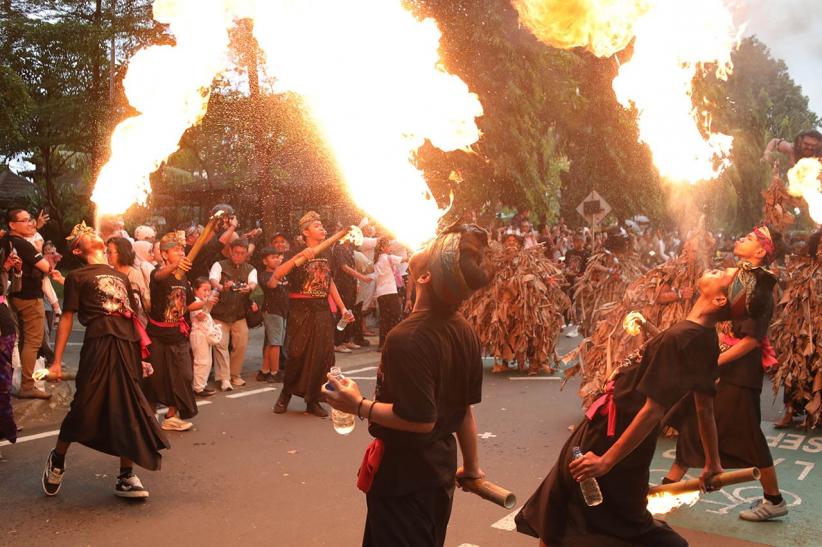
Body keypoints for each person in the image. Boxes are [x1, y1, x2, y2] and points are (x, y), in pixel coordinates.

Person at [515, 267, 736, 546]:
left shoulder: (682, 338)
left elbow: (654, 409)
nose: (720, 268)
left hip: (609, 437)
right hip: (626, 440)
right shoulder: (703, 338)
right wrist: (712, 463)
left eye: (725, 274)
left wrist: (606, 461)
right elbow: (704, 408)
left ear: (719, 300)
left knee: (563, 514)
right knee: (575, 513)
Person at [322, 224, 492, 547]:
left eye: (431, 248)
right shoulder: (464, 329)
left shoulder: (406, 339)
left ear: (425, 277)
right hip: (438, 475)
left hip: (405, 481)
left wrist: (356, 404)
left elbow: (419, 419)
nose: (423, 243)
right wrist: (471, 468)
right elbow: (464, 411)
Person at [663, 225, 788, 522]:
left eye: (750, 238)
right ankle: (670, 484)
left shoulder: (761, 287)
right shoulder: (738, 276)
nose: (742, 237)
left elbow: (751, 340)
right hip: (721, 363)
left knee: (747, 433)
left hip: (740, 373)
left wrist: (714, 363)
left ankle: (775, 499)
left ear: (760, 252)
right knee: (694, 417)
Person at [41, 222, 169, 499]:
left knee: (130, 407)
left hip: (126, 345)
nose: (89, 232)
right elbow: (66, 318)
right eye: (81, 234)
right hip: (98, 344)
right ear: (77, 249)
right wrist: (56, 361)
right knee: (85, 405)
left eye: (90, 230)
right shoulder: (77, 276)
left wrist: (140, 354)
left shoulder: (119, 276)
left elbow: (132, 318)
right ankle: (58, 460)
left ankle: (125, 476)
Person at [273, 211, 353, 418]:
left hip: (321, 309)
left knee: (323, 355)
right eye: (317, 226)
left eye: (322, 226)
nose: (323, 229)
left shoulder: (328, 251)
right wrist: (299, 257)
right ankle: (286, 394)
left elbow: (330, 282)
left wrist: (343, 308)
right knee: (297, 353)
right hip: (301, 309)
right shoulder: (297, 250)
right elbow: (277, 274)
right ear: (306, 231)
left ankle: (313, 400)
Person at [142, 232, 198, 432]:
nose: (181, 252)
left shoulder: (183, 278)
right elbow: (159, 276)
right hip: (156, 334)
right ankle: (148, 417)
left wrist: (207, 303)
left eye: (182, 249)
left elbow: (189, 304)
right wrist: (175, 266)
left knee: (184, 375)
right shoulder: (158, 273)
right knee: (155, 378)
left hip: (177, 333)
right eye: (176, 250)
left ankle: (171, 415)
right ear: (164, 254)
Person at [7, 208, 57, 398]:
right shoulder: (23, 244)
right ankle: (28, 386)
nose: (31, 223)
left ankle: (24, 381)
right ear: (13, 224)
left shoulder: (6, 240)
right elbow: (46, 267)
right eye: (26, 220)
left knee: (24, 339)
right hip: (29, 297)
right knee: (33, 341)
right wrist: (48, 258)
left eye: (31, 220)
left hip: (15, 296)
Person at [209, 238, 257, 391]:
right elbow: (212, 280)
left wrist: (248, 288)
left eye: (242, 253)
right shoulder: (219, 265)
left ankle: (235, 374)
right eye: (236, 252)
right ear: (230, 251)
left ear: (246, 254)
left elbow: (253, 283)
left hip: (239, 314)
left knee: (241, 344)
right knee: (221, 345)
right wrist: (223, 287)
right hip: (219, 312)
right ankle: (224, 378)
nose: (239, 256)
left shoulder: (250, 268)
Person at [333, 236, 370, 353]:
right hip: (342, 285)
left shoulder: (349, 249)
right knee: (343, 314)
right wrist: (361, 277)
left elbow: (353, 267)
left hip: (351, 285)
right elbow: (344, 267)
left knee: (350, 312)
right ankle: (338, 342)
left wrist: (357, 281)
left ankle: (346, 340)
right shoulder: (339, 248)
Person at [257, 248, 288, 383]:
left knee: (271, 342)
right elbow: (272, 285)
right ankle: (274, 372)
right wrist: (278, 272)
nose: (277, 259)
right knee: (276, 343)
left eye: (278, 257)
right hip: (272, 311)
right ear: (265, 261)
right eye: (273, 257)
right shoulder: (264, 275)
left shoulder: (284, 274)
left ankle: (264, 371)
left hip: (282, 311)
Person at [0, 236, 20, 443]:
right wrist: (4, 269)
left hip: (5, 325)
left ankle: (5, 427)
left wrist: (16, 271)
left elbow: (13, 291)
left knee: (4, 382)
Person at [107, 236, 151, 324]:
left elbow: (143, 304)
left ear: (121, 253)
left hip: (132, 325)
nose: (107, 255)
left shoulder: (134, 275)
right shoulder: (109, 273)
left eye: (110, 252)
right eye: (107, 252)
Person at [373, 237, 406, 350]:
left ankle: (383, 344)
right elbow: (405, 259)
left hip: (381, 293)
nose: (390, 247)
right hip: (390, 291)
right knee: (396, 317)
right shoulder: (389, 258)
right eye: (388, 245)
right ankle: (395, 343)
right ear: (382, 247)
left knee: (384, 319)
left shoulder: (376, 260)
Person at [190, 277, 220, 397]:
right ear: (195, 290)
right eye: (204, 290)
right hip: (198, 334)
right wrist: (207, 302)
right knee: (201, 361)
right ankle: (197, 388)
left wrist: (208, 303)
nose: (207, 293)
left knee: (208, 361)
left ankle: (201, 384)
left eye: (209, 290)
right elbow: (201, 316)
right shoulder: (195, 301)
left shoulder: (201, 301)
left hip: (204, 333)